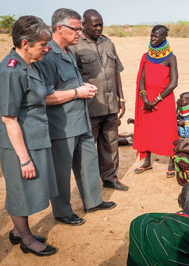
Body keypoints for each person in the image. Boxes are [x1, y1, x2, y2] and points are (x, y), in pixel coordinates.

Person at [35, 8, 115, 226]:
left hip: (81, 120)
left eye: (80, 29)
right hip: (62, 126)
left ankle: (93, 201)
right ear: (60, 29)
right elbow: (45, 97)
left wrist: (82, 87)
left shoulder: (69, 51)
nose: (80, 33)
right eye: (76, 29)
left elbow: (68, 83)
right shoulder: (46, 56)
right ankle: (62, 211)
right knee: (61, 171)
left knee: (88, 163)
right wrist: (76, 93)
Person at [0, 16, 57, 256]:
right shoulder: (10, 72)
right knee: (20, 190)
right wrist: (24, 159)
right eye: (42, 44)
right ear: (25, 43)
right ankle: (27, 239)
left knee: (30, 189)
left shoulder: (29, 64)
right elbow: (9, 119)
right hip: (18, 144)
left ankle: (19, 231)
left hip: (35, 138)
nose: (46, 49)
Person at [70, 9, 128, 191]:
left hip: (111, 105)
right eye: (95, 25)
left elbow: (116, 72)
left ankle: (110, 178)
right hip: (90, 107)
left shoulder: (108, 43)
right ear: (84, 25)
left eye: (101, 24)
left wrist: (122, 98)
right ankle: (90, 186)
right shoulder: (75, 46)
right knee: (88, 148)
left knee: (110, 144)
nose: (99, 28)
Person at [133, 25, 179, 175]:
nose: (153, 38)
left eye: (156, 36)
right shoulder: (146, 56)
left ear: (164, 38)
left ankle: (172, 162)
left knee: (168, 130)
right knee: (147, 129)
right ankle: (147, 161)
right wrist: (145, 98)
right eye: (152, 35)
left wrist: (157, 99)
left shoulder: (171, 58)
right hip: (147, 99)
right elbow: (141, 80)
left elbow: (173, 83)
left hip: (164, 99)